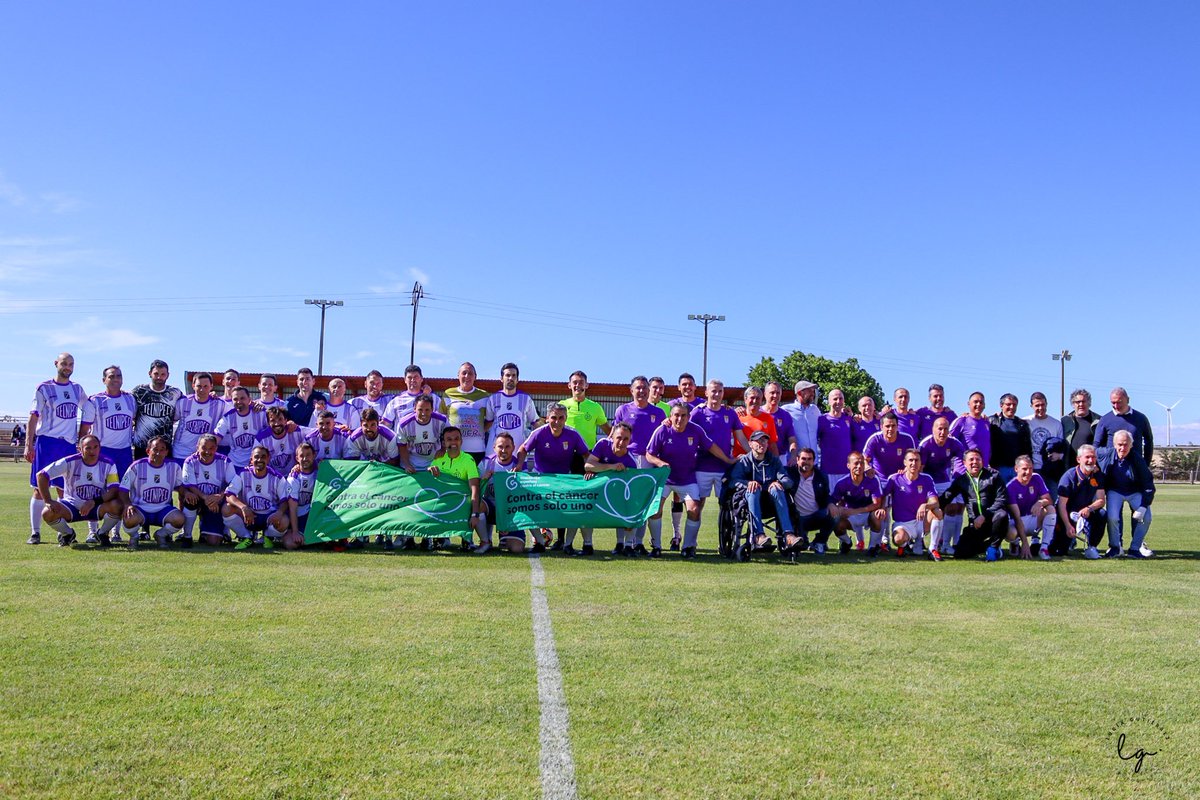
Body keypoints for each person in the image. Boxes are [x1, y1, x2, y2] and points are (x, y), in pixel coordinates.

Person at [645, 403, 737, 558]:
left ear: (688, 417)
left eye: (683, 415)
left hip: (687, 479)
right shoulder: (662, 430)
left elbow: (711, 446)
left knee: (694, 510)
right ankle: (656, 546)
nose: (679, 419)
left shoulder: (695, 430)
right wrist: (660, 463)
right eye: (676, 415)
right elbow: (649, 454)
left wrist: (727, 460)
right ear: (671, 416)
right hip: (665, 479)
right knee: (655, 510)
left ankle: (688, 547)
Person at [25, 353, 90, 545]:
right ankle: (35, 532)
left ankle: (62, 531)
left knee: (64, 490)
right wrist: (29, 443)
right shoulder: (44, 388)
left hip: (68, 444)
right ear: (56, 364)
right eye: (64, 364)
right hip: (47, 442)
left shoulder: (77, 389)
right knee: (39, 488)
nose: (67, 367)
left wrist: (82, 434)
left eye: (71, 364)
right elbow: (33, 416)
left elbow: (89, 408)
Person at [515, 402, 591, 553]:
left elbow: (586, 454)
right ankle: (539, 542)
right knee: (530, 507)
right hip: (541, 478)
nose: (557, 421)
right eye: (554, 417)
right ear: (547, 418)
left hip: (563, 479)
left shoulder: (573, 434)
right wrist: (519, 466)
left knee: (570, 509)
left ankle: (565, 543)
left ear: (566, 418)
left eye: (561, 418)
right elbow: (523, 448)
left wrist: (589, 469)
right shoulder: (539, 433)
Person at [35, 434, 121, 547]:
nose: (92, 451)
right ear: (80, 449)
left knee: (118, 505)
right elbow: (41, 475)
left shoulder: (109, 464)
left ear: (100, 448)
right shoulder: (69, 462)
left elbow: (114, 490)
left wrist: (93, 501)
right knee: (47, 512)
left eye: (96, 447)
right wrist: (48, 501)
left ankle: (102, 533)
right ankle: (68, 534)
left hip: (96, 506)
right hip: (71, 506)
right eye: (88, 448)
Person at [689, 380, 751, 529]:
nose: (717, 394)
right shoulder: (698, 412)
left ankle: (725, 545)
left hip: (724, 467)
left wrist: (752, 453)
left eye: (720, 391)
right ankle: (691, 544)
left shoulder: (729, 412)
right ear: (706, 393)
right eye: (714, 391)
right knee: (697, 506)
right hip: (701, 467)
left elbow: (740, 437)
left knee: (726, 505)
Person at [729, 430, 796, 554]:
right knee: (754, 489)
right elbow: (733, 481)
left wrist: (779, 483)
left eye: (765, 441)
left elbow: (787, 480)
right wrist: (747, 483)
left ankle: (788, 535)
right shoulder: (744, 461)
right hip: (749, 500)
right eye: (759, 441)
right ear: (750, 444)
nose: (762, 443)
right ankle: (758, 536)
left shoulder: (774, 461)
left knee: (777, 488)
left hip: (771, 502)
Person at [936, 448, 1011, 560]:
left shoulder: (994, 476)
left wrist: (984, 516)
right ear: (964, 463)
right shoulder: (961, 481)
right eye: (971, 459)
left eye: (978, 459)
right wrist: (931, 506)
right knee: (960, 554)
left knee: (1002, 515)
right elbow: (946, 498)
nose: (975, 462)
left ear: (982, 461)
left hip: (994, 520)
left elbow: (1002, 499)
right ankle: (987, 546)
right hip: (976, 524)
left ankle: (993, 548)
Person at [118, 436, 185, 550]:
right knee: (129, 518)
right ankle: (134, 537)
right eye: (155, 449)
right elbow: (123, 489)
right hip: (140, 508)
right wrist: (127, 504)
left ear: (166, 452)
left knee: (180, 519)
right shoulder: (136, 466)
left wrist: (187, 493)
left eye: (162, 449)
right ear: (148, 451)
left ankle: (160, 535)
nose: (158, 453)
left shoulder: (174, 467)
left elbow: (180, 487)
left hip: (163, 509)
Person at [585, 423, 640, 556]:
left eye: (626, 439)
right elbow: (588, 465)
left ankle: (626, 545)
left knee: (632, 509)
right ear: (612, 437)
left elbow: (633, 485)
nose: (621, 442)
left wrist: (597, 468)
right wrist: (610, 467)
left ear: (630, 440)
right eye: (619, 438)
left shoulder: (631, 461)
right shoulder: (603, 444)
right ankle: (587, 545)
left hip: (618, 494)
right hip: (598, 491)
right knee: (585, 507)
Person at [223, 445, 290, 550]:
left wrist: (279, 513)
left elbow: (285, 501)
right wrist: (243, 507)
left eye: (263, 457)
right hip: (249, 516)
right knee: (226, 508)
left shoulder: (277, 478)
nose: (259, 460)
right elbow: (229, 495)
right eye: (256, 457)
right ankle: (246, 537)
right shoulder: (242, 474)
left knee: (284, 520)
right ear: (251, 459)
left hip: (268, 517)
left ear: (268, 459)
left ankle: (268, 536)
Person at [1103, 430, 1156, 558]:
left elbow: (1149, 484)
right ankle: (1115, 547)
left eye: (1126, 444)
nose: (1122, 448)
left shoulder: (1137, 460)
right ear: (1114, 444)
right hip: (1114, 491)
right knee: (1112, 517)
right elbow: (1088, 454)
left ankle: (1135, 549)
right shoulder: (1105, 455)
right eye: (1120, 444)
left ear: (1131, 445)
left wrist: (1144, 506)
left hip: (1135, 492)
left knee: (1146, 517)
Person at [428, 426, 482, 552]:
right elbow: (428, 483)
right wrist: (429, 470)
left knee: (469, 503)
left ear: (461, 441)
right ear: (443, 443)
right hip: (443, 501)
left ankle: (466, 537)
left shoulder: (468, 460)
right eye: (449, 439)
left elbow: (475, 488)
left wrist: (475, 514)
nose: (453, 442)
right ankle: (438, 537)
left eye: (456, 439)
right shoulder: (438, 458)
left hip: (462, 503)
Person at [882, 450, 942, 559]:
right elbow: (883, 496)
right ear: (905, 462)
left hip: (921, 521)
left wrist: (925, 505)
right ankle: (904, 545)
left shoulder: (926, 479)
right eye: (910, 460)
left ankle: (932, 549)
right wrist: (882, 509)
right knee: (898, 539)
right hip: (903, 523)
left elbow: (935, 502)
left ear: (920, 463)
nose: (913, 463)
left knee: (937, 512)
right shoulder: (895, 479)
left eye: (916, 460)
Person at [918, 416, 966, 555]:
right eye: (939, 429)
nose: (942, 432)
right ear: (933, 429)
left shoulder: (954, 443)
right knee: (929, 510)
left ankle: (948, 544)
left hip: (944, 480)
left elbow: (964, 461)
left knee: (953, 507)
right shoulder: (926, 444)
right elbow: (920, 469)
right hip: (927, 480)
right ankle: (918, 540)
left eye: (945, 429)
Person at [1050, 444, 1107, 559]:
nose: (1090, 461)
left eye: (1093, 457)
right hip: (1066, 514)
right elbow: (1061, 505)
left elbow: (1101, 500)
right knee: (1059, 551)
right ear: (1078, 459)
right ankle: (1066, 541)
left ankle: (1092, 547)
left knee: (1102, 514)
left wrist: (1089, 508)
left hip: (1086, 512)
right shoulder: (1069, 477)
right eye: (1087, 457)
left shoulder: (1097, 475)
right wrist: (1067, 526)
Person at [180, 434, 239, 546]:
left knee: (214, 542)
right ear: (197, 446)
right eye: (204, 448)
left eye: (211, 448)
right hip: (199, 498)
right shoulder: (190, 461)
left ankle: (219, 531)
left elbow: (233, 483)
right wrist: (206, 498)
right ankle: (187, 536)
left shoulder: (225, 461)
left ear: (216, 448)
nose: (207, 452)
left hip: (216, 501)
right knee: (190, 499)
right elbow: (190, 485)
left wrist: (220, 496)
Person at [786, 447, 842, 554]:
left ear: (814, 461)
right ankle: (803, 539)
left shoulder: (821, 476)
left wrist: (831, 503)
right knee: (800, 546)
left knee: (835, 514)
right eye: (803, 459)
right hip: (797, 519)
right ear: (797, 460)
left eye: (809, 459)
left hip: (816, 516)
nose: (806, 462)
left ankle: (819, 542)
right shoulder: (789, 473)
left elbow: (826, 495)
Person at [828, 452, 885, 552]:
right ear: (848, 465)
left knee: (877, 515)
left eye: (862, 463)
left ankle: (872, 547)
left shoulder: (872, 479)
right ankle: (846, 542)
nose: (859, 466)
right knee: (836, 522)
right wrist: (836, 507)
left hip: (867, 514)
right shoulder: (842, 483)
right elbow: (832, 500)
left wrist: (855, 511)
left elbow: (877, 504)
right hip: (850, 516)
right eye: (856, 463)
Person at [475, 432, 522, 554]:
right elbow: (474, 487)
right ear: (494, 447)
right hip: (490, 507)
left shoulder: (519, 466)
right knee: (476, 503)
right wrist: (483, 479)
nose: (503, 450)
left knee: (517, 549)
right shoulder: (485, 463)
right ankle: (486, 541)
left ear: (513, 448)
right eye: (500, 446)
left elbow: (526, 494)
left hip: (511, 511)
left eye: (507, 447)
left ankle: (505, 537)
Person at [132, 359, 183, 461]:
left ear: (168, 375)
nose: (159, 377)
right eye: (156, 374)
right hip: (142, 446)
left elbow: (190, 401)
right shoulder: (139, 391)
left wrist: (211, 395)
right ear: (150, 373)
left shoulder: (175, 393)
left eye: (163, 374)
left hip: (164, 447)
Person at [1093, 387, 1154, 470]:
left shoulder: (1141, 418)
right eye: (1113, 403)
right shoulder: (1105, 420)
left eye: (1119, 402)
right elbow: (1097, 444)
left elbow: (1149, 442)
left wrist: (1145, 464)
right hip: (1111, 469)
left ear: (1128, 400)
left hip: (1135, 468)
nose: (1116, 406)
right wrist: (1097, 464)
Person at [483, 363, 540, 451]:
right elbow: (487, 423)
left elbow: (536, 422)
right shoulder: (493, 399)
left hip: (518, 452)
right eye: (507, 375)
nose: (510, 378)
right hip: (495, 453)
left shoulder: (525, 399)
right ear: (501, 378)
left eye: (514, 375)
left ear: (517, 379)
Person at [612, 375, 668, 465]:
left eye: (644, 388)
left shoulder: (659, 413)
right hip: (627, 457)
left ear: (648, 390)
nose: (642, 391)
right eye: (638, 388)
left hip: (650, 460)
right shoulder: (622, 410)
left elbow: (663, 438)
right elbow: (614, 436)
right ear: (631, 390)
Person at [172, 372, 224, 466]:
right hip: (180, 452)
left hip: (203, 454)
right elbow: (172, 421)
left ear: (211, 386)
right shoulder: (183, 402)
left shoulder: (219, 404)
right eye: (199, 386)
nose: (202, 389)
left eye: (206, 386)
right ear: (193, 386)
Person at [443, 362, 490, 462]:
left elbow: (490, 420)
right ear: (458, 375)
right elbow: (441, 419)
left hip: (477, 449)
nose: (467, 376)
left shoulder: (484, 395)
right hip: (454, 449)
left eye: (470, 373)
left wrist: (479, 430)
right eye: (464, 373)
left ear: (475, 377)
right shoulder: (448, 394)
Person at [1005, 456, 1051, 560]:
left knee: (1050, 509)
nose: (1028, 472)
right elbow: (1017, 518)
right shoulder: (1010, 487)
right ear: (1016, 469)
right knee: (1011, 533)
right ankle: (1015, 543)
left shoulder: (1036, 478)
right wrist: (1025, 543)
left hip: (1031, 518)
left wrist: (1040, 502)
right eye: (1024, 469)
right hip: (1015, 523)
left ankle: (1044, 547)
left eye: (1030, 468)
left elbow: (1049, 500)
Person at [213, 387, 267, 469]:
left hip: (255, 463)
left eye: (242, 398)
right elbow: (216, 438)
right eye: (235, 399)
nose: (239, 402)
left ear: (249, 399)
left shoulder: (260, 413)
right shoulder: (228, 417)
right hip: (235, 463)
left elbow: (275, 426)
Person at [1026, 392, 1067, 500]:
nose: (1040, 408)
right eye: (1037, 405)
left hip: (1051, 470)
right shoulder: (1025, 422)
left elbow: (1063, 447)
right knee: (1031, 502)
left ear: (1047, 404)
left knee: (1052, 500)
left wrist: (1058, 456)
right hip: (1032, 469)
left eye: (1043, 405)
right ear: (1031, 406)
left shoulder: (1056, 424)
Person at [396, 394, 448, 473]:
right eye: (420, 410)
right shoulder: (404, 424)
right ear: (414, 409)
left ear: (432, 409)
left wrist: (443, 450)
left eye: (427, 410)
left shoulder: (442, 421)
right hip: (412, 465)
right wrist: (407, 465)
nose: (423, 413)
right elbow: (402, 446)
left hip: (435, 463)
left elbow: (449, 437)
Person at [989, 393, 1033, 482]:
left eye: (1014, 405)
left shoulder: (1022, 424)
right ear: (1001, 405)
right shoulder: (992, 421)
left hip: (1017, 468)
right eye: (1008, 404)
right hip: (999, 467)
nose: (1011, 407)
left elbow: (1027, 447)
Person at [561, 370, 611, 449]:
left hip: (587, 453)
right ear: (569, 385)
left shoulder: (595, 407)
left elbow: (609, 431)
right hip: (566, 452)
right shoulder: (562, 405)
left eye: (581, 382)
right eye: (575, 382)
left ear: (586, 385)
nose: (578, 385)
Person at [862, 412, 917, 483]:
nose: (890, 429)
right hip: (880, 480)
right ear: (881, 427)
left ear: (897, 426)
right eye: (887, 426)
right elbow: (865, 459)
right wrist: (867, 468)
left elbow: (914, 459)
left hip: (901, 479)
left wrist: (906, 469)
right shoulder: (875, 439)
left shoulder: (907, 439)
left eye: (893, 426)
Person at [284, 443, 319, 550]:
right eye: (301, 456)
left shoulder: (320, 473)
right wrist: (295, 532)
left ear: (314, 455)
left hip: (312, 518)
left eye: (308, 455)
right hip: (297, 518)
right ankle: (310, 539)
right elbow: (292, 508)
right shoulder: (293, 478)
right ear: (296, 458)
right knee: (290, 544)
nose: (305, 458)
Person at [816, 389, 854, 486]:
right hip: (828, 471)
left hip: (847, 470)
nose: (838, 402)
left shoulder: (849, 419)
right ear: (829, 402)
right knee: (830, 500)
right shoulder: (822, 420)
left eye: (841, 399)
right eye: (835, 399)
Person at [256, 406, 307, 474]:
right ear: (268, 422)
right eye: (273, 420)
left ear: (286, 420)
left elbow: (316, 432)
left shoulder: (296, 431)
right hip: (273, 478)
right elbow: (254, 459)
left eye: (280, 419)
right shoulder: (261, 438)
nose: (277, 424)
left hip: (294, 476)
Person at [1061, 388, 1100, 468]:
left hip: (1091, 467)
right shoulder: (1065, 421)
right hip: (1069, 467)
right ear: (1073, 404)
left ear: (1089, 403)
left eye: (1084, 401)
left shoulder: (1099, 421)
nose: (1081, 404)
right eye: (1078, 402)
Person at [734, 386, 778, 457]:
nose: (754, 401)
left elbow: (772, 443)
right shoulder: (737, 416)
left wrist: (777, 463)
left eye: (758, 398)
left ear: (761, 400)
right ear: (745, 399)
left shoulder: (768, 418)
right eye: (752, 398)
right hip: (740, 461)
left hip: (760, 461)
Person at [950, 392, 992, 466]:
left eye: (981, 402)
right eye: (975, 402)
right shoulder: (962, 420)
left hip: (982, 469)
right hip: (963, 470)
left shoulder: (986, 422)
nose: (978, 404)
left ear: (984, 405)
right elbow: (949, 440)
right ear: (969, 404)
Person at [763, 381, 799, 465]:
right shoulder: (758, 413)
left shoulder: (785, 415)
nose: (775, 396)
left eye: (778, 393)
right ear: (765, 394)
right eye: (772, 393)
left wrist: (793, 456)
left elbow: (792, 439)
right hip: (761, 458)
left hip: (781, 459)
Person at [782, 380, 820, 454]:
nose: (812, 394)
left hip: (813, 461)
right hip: (795, 461)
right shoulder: (786, 410)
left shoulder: (815, 410)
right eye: (809, 391)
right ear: (799, 393)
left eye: (813, 391)